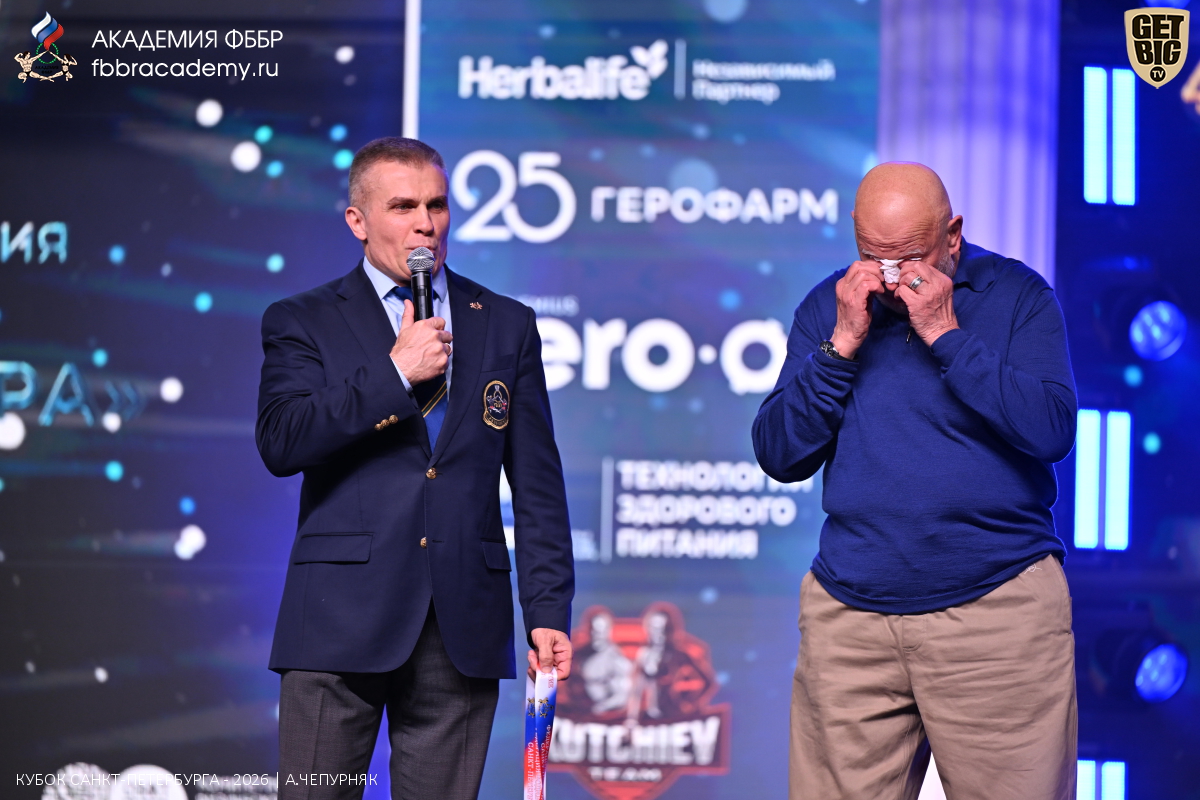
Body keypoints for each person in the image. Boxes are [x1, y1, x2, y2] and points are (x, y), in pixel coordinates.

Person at [255, 136, 575, 800]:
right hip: (338, 619)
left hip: (462, 623)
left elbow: (538, 483)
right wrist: (396, 373)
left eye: (436, 205)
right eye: (403, 206)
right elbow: (283, 442)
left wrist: (547, 609)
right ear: (358, 221)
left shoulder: (506, 324)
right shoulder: (302, 319)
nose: (425, 223)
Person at [752, 162, 1078, 800]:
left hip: (996, 611)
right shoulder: (829, 305)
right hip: (850, 616)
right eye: (875, 258)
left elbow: (1052, 431)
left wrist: (944, 333)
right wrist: (842, 343)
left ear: (952, 235)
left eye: (909, 259)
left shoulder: (1019, 295)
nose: (891, 278)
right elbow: (779, 454)